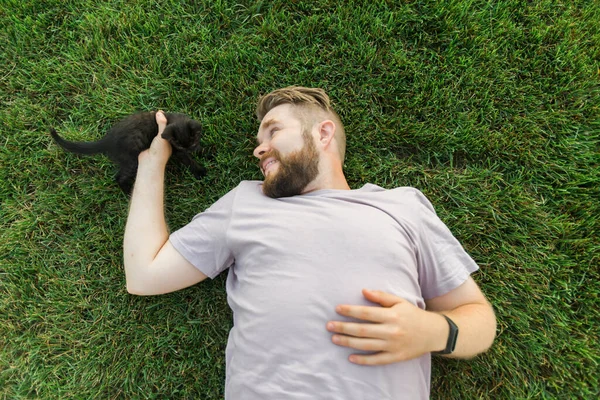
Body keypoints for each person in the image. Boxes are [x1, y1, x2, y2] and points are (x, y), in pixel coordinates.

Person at [123, 86, 496, 399]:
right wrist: (152, 161)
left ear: (323, 133)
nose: (259, 148)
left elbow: (479, 318)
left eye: (273, 131)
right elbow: (144, 274)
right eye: (259, 139)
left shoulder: (400, 206)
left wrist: (433, 332)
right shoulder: (247, 202)